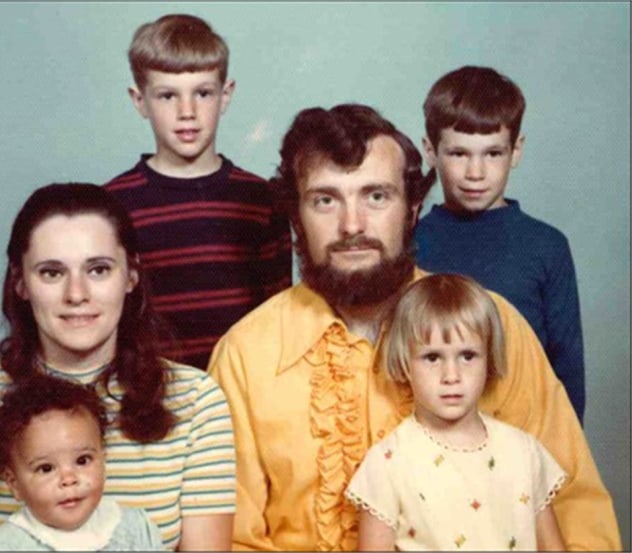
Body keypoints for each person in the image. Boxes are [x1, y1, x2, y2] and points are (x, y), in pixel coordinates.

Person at [207, 103, 620, 551]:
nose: (352, 225)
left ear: (413, 207)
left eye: (376, 196)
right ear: (295, 217)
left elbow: (577, 511)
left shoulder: (493, 325)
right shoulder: (245, 356)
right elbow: (230, 540)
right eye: (325, 200)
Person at [0, 183, 235, 551]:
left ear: (130, 276)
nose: (76, 294)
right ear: (20, 283)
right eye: (52, 273)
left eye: (98, 270)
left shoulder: (196, 402)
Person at [105, 14, 292, 370]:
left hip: (241, 389)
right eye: (167, 96)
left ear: (225, 95)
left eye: (202, 93)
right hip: (150, 392)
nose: (187, 112)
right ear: (139, 100)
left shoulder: (261, 200)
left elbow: (278, 314)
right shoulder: (112, 205)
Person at [414, 65, 585, 423]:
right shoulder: (409, 243)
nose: (475, 173)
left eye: (492, 154)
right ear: (430, 150)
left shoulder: (547, 247)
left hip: (525, 443)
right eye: (459, 154)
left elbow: (567, 372)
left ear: (516, 150)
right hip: (429, 449)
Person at [345, 273, 566, 551]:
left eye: (468, 356)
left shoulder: (523, 451)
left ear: (489, 359)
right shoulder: (387, 463)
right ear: (404, 363)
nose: (452, 375)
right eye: (432, 357)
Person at [0, 375, 164, 550]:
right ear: (14, 483)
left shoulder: (136, 529)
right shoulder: (4, 546)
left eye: (82, 461)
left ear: (103, 459)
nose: (68, 479)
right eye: (46, 468)